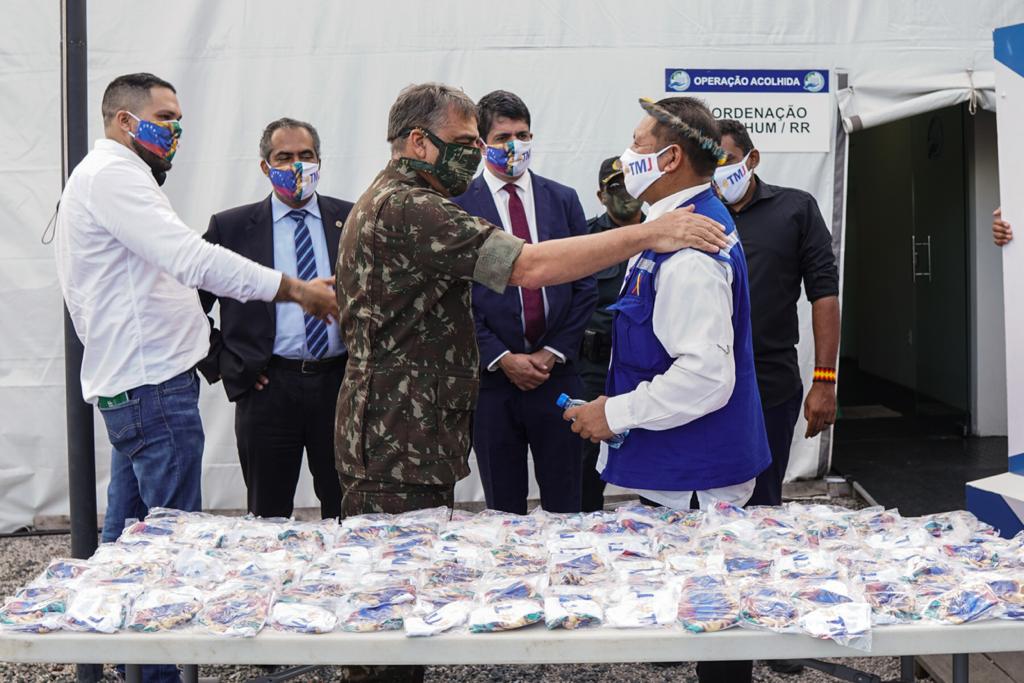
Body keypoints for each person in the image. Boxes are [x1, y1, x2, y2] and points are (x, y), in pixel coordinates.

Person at [53, 73, 337, 683]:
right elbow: (190, 260)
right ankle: (155, 674)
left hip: (143, 385)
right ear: (124, 120)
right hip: (153, 391)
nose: (176, 129)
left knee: (129, 547)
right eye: (165, 117)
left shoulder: (114, 177)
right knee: (171, 555)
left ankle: (129, 667)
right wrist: (293, 290)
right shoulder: (114, 177)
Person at [334, 82, 730, 518]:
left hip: (407, 428)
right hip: (399, 435)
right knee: (400, 553)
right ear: (418, 142)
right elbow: (527, 267)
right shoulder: (411, 207)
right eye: (464, 142)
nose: (476, 152)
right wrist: (650, 233)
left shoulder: (396, 198)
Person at [562, 97, 771, 683]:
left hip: (696, 481)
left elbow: (705, 375)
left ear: (671, 157)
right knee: (702, 624)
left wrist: (615, 414)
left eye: (637, 144)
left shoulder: (688, 250)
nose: (627, 155)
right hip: (687, 471)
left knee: (715, 633)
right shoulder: (671, 228)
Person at [198, 118, 353, 520]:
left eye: (306, 155)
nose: (296, 165)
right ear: (265, 166)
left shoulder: (352, 219)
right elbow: (187, 304)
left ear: (320, 161)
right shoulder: (231, 228)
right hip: (268, 388)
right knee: (268, 516)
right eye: (284, 157)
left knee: (347, 511)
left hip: (339, 385)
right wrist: (225, 364)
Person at [453, 90, 597, 514]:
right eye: (503, 137)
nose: (514, 145)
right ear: (481, 144)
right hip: (493, 383)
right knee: (503, 509)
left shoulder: (562, 199)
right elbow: (455, 296)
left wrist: (552, 353)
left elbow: (585, 284)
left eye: (523, 134)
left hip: (556, 376)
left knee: (566, 503)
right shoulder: (458, 206)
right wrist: (501, 357)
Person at [714, 119, 840, 508]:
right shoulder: (693, 214)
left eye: (726, 159)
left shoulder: (796, 209)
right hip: (702, 377)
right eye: (709, 161)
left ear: (752, 159)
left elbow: (824, 293)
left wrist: (824, 381)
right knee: (702, 502)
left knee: (762, 500)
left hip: (768, 378)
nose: (718, 171)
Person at [579, 156, 644, 512]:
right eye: (615, 187)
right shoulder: (585, 239)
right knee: (585, 466)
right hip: (594, 368)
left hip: (647, 369)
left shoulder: (664, 232)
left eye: (630, 184)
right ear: (601, 196)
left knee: (656, 462)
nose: (625, 194)